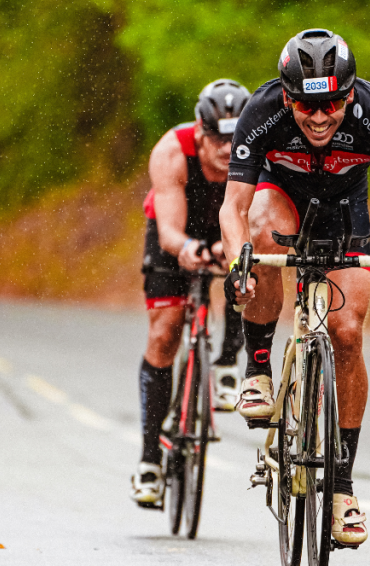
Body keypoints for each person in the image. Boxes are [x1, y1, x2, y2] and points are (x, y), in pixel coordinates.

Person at [219, 30, 370, 546]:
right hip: (278, 195)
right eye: (306, 105)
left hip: (342, 210)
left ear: (350, 94)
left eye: (332, 102)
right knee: (261, 233)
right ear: (286, 96)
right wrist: (237, 266)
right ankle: (260, 368)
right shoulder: (264, 109)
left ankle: (340, 488)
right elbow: (234, 209)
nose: (318, 117)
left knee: (348, 333)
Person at [131, 79, 251, 507]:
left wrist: (230, 250)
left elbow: (259, 216)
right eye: (219, 136)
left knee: (248, 273)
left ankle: (225, 362)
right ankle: (149, 459)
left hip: (229, 231)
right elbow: (167, 232)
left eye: (235, 137)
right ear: (200, 131)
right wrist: (190, 249)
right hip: (176, 232)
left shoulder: (256, 151)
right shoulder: (171, 151)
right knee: (165, 332)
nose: (227, 147)